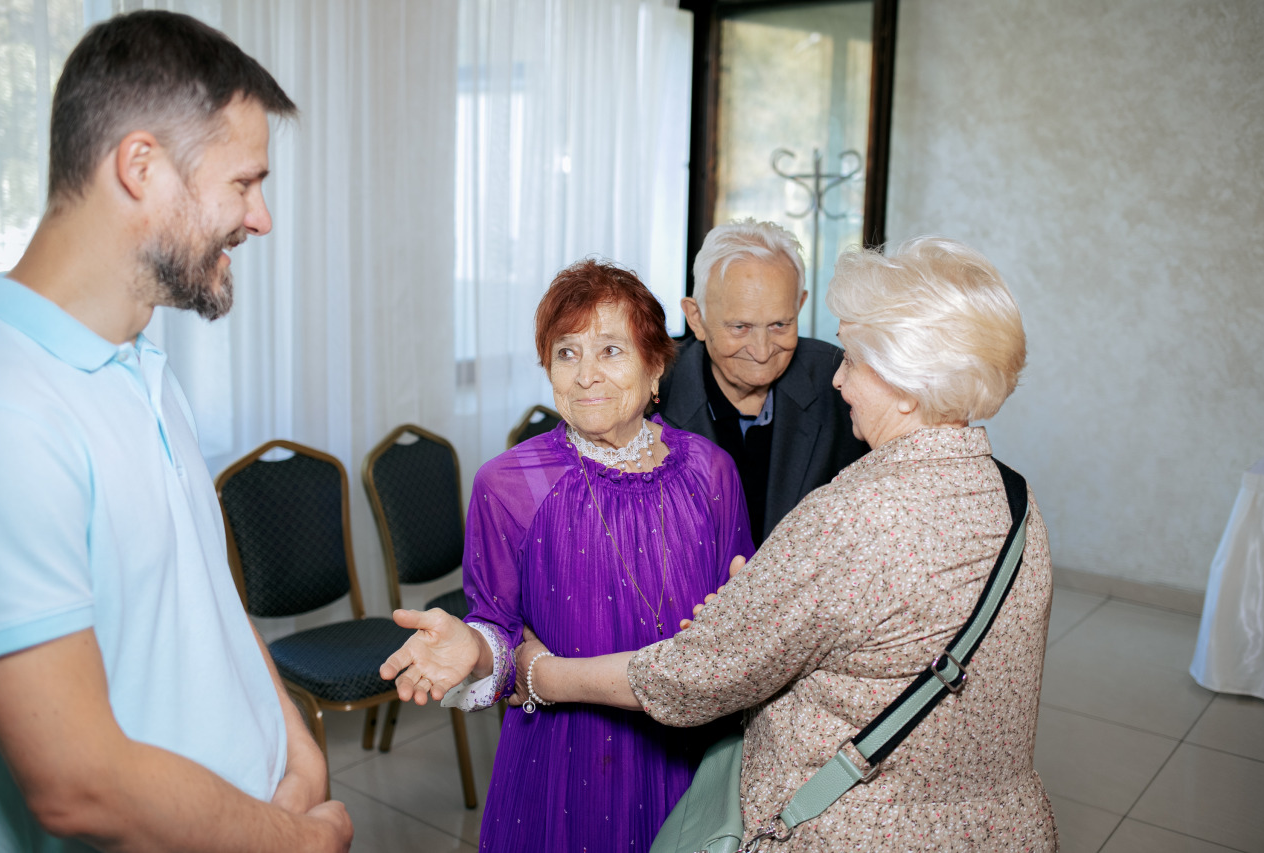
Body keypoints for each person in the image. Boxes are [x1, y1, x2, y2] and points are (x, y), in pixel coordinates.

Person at [512, 237, 1060, 850]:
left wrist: (542, 675)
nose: (839, 379)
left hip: (851, 831)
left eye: (852, 360)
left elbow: (693, 677)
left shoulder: (848, 518)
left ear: (907, 386)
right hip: (998, 830)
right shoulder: (1016, 499)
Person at [0, 11, 353, 852]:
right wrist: (293, 839)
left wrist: (295, 746)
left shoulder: (141, 362)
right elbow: (77, 783)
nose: (260, 218)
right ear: (141, 167)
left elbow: (204, 597)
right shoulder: (14, 410)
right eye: (243, 182)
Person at [379, 259, 754, 851]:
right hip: (567, 757)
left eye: (610, 351)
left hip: (689, 753)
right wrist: (474, 647)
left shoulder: (711, 471)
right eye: (566, 353)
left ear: (656, 366)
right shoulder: (507, 484)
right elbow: (498, 632)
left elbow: (739, 614)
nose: (585, 376)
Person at [658, 218, 869, 547]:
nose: (761, 351)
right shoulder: (651, 391)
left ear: (799, 305)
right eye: (740, 327)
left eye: (779, 325)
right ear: (696, 318)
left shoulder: (842, 381)